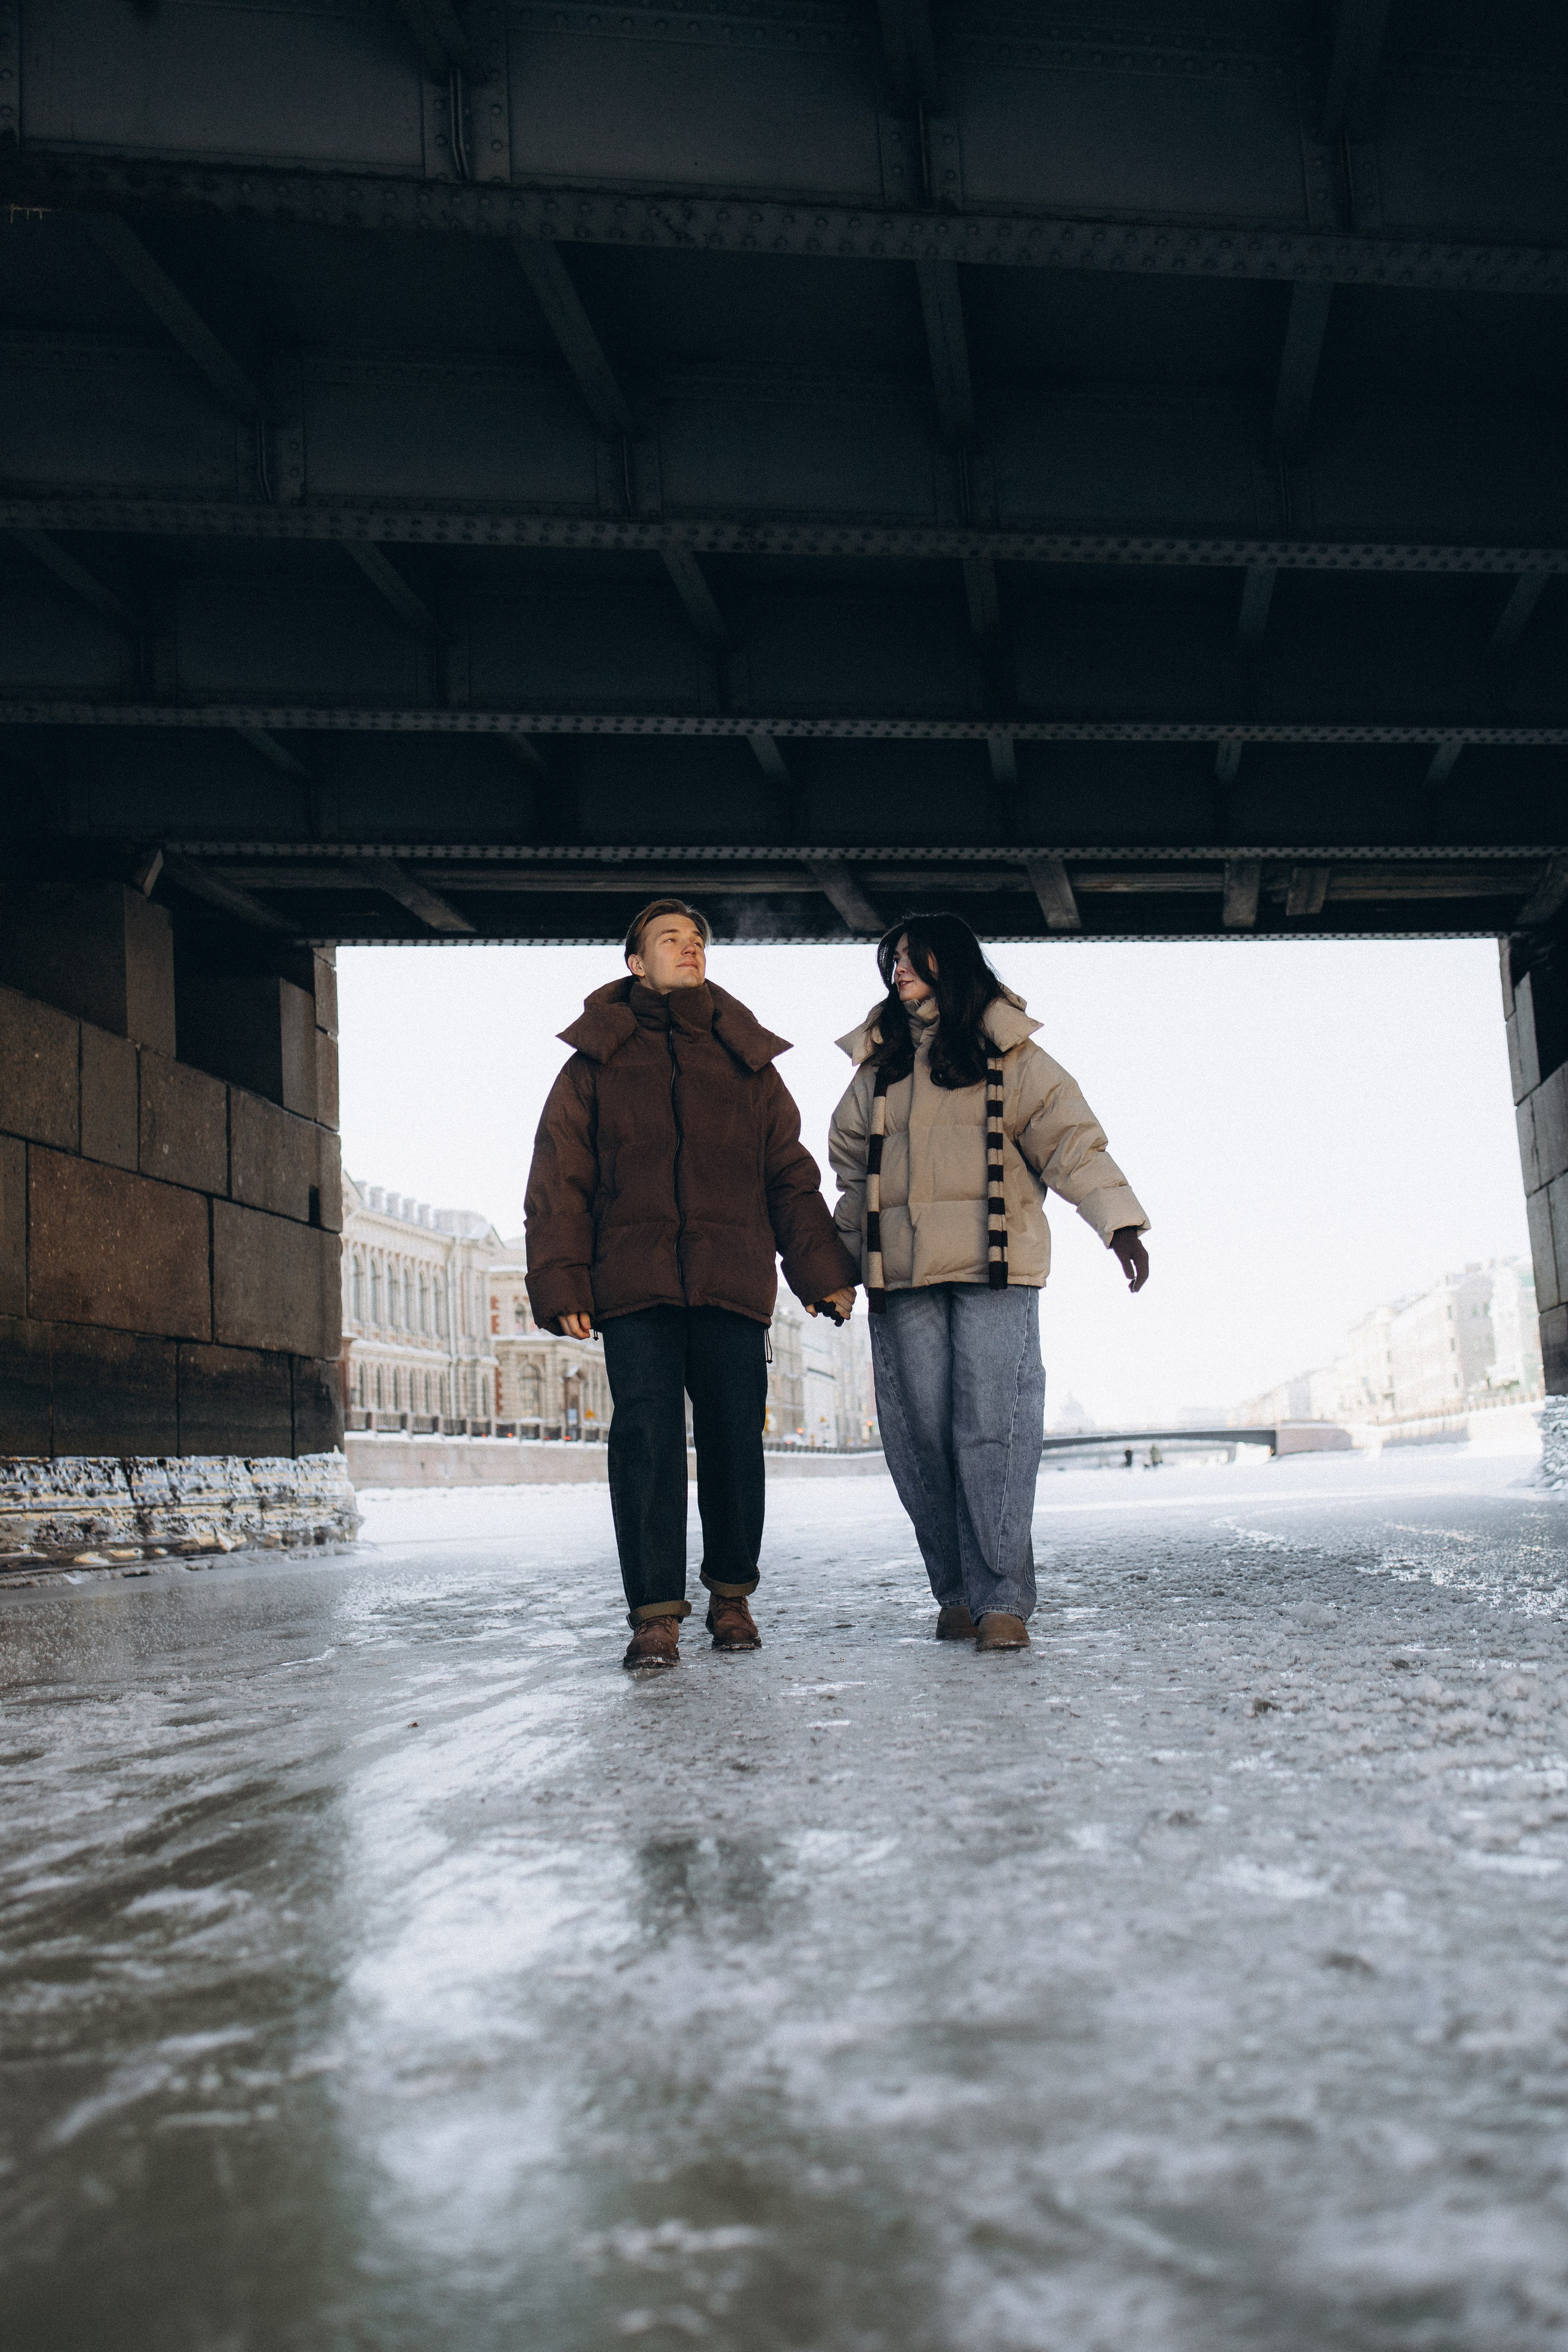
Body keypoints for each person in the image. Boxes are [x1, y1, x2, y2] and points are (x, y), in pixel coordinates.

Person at [524, 899, 857, 1670]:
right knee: (645, 1446)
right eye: (669, 939)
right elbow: (559, 1178)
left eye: (698, 939)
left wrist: (821, 1275)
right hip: (633, 1287)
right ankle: (654, 1615)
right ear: (635, 963)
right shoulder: (592, 1065)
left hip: (730, 1282)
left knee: (735, 1442)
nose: (690, 948)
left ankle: (731, 1596)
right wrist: (564, 1281)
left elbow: (789, 1176)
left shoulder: (747, 1061)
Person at [829, 913, 1149, 1653]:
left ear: (952, 962)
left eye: (913, 958)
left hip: (995, 1270)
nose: (899, 970)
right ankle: (956, 1593)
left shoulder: (1012, 1054)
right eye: (893, 959)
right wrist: (835, 1273)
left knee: (991, 1431)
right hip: (901, 1277)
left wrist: (1119, 1224)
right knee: (921, 1440)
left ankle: (1001, 1600)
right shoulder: (878, 1066)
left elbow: (1072, 1144)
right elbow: (854, 1182)